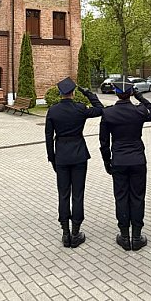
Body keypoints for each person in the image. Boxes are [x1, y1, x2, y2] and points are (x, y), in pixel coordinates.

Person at [99, 78, 151, 251]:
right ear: (130, 93)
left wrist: (107, 162)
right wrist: (140, 97)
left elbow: (103, 142)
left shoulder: (108, 113)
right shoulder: (139, 111)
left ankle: (124, 236)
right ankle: (137, 235)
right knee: (138, 197)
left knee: (121, 197)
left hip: (118, 160)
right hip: (138, 160)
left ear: (116, 93)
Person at [45, 77, 104, 248]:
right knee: (78, 194)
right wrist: (88, 93)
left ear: (60, 93)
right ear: (72, 92)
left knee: (63, 194)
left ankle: (65, 233)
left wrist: (52, 157)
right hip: (78, 155)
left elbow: (48, 136)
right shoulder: (80, 108)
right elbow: (100, 109)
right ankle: (76, 232)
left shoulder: (53, 111)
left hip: (61, 156)